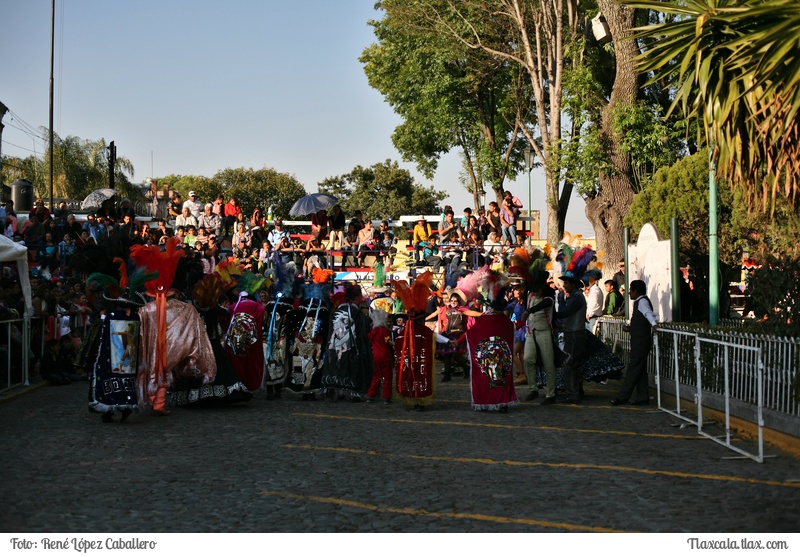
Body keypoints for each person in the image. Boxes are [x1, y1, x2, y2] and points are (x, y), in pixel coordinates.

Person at [611, 279, 658, 406]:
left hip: (640, 341)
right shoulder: (639, 302)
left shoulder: (642, 302)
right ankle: (642, 397)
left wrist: (654, 324)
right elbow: (641, 321)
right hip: (639, 339)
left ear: (635, 291)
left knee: (633, 369)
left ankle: (622, 397)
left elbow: (648, 314)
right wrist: (631, 328)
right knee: (640, 369)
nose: (629, 293)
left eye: (630, 290)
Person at [523, 279, 558, 404]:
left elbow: (543, 304)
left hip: (544, 331)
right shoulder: (530, 295)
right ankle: (533, 389)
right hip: (531, 331)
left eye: (537, 290)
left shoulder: (549, 298)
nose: (535, 293)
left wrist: (529, 311)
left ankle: (551, 393)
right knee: (527, 359)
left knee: (548, 362)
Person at [555, 272, 587, 404]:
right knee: (572, 364)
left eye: (566, 283)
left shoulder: (577, 297)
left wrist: (552, 314)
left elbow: (566, 312)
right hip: (572, 333)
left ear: (573, 284)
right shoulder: (573, 296)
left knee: (570, 364)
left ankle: (573, 393)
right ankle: (574, 391)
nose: (564, 285)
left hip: (575, 333)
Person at [366, 309, 394, 404]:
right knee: (387, 376)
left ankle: (371, 395)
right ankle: (386, 396)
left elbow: (369, 337)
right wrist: (397, 344)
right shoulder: (384, 330)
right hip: (385, 355)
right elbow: (388, 341)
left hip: (376, 356)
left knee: (377, 375)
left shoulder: (374, 331)